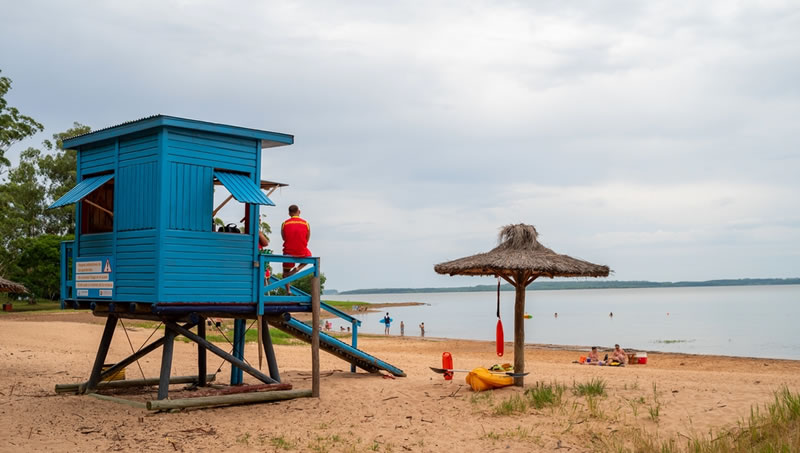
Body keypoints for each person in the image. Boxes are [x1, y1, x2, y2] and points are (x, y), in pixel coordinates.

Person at [281, 205, 311, 295]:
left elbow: (283, 238)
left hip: (288, 251)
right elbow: (307, 238)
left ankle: (288, 290)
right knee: (309, 257)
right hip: (301, 251)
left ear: (289, 213)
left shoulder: (285, 223)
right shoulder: (306, 223)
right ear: (299, 212)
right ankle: (298, 268)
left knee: (285, 272)